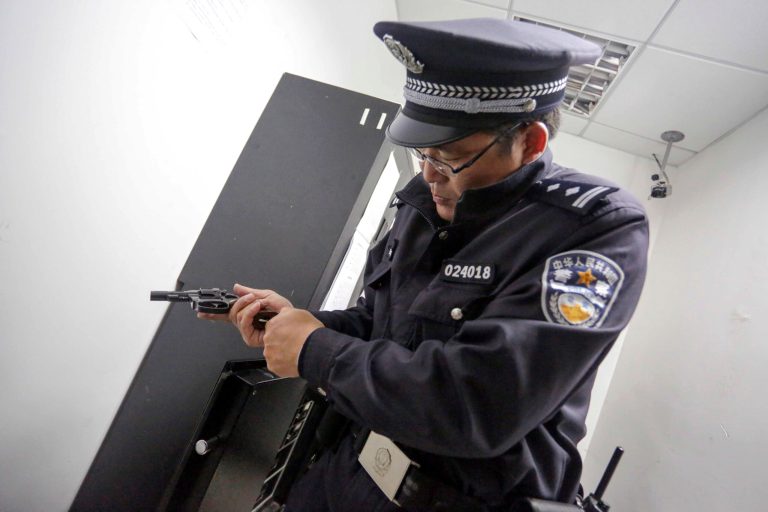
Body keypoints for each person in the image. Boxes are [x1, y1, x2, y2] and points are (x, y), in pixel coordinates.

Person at [199, 18, 649, 512]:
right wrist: (296, 324)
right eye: (421, 154)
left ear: (530, 143)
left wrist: (315, 350)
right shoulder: (423, 203)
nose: (430, 174)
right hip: (348, 473)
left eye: (449, 157)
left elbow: (477, 404)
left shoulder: (592, 227)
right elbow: (383, 324)